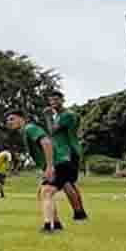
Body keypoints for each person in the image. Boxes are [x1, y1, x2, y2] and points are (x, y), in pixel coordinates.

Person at [5, 110, 66, 234]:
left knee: (46, 192)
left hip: (59, 163)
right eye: (8, 120)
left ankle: (48, 226)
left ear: (21, 119)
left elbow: (46, 142)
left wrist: (49, 166)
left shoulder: (30, 128)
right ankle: (57, 223)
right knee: (43, 193)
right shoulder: (25, 132)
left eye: (12, 119)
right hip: (56, 163)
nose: (9, 122)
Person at [47, 92, 88, 221]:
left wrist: (47, 117)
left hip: (67, 152)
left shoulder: (67, 115)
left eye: (56, 100)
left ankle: (78, 213)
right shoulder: (59, 116)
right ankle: (80, 211)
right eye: (51, 100)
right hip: (66, 151)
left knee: (65, 182)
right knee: (71, 183)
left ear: (62, 100)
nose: (53, 103)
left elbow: (52, 131)